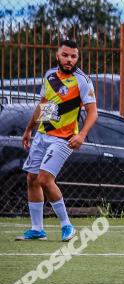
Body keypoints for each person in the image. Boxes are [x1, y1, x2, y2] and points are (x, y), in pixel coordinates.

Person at [18, 39, 97, 242]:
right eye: (65, 55)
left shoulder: (83, 80)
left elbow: (93, 113)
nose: (69, 59)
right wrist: (29, 130)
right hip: (42, 134)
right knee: (32, 179)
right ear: (58, 55)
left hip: (64, 139)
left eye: (73, 56)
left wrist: (82, 135)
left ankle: (67, 226)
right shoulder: (49, 75)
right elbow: (43, 105)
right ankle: (37, 229)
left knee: (45, 179)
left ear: (77, 58)